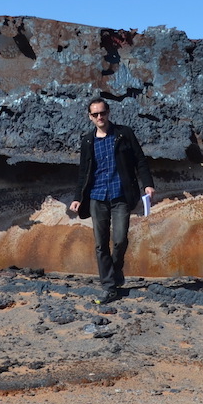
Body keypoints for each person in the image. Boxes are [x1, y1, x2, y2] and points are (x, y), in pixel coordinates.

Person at [68, 97, 154, 304]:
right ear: (90, 117)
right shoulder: (88, 140)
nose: (100, 117)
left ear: (108, 113)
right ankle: (109, 285)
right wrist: (77, 198)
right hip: (96, 197)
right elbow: (83, 172)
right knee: (100, 244)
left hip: (120, 195)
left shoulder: (124, 134)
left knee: (120, 239)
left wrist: (148, 184)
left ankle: (115, 272)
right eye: (95, 114)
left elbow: (140, 161)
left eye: (102, 113)